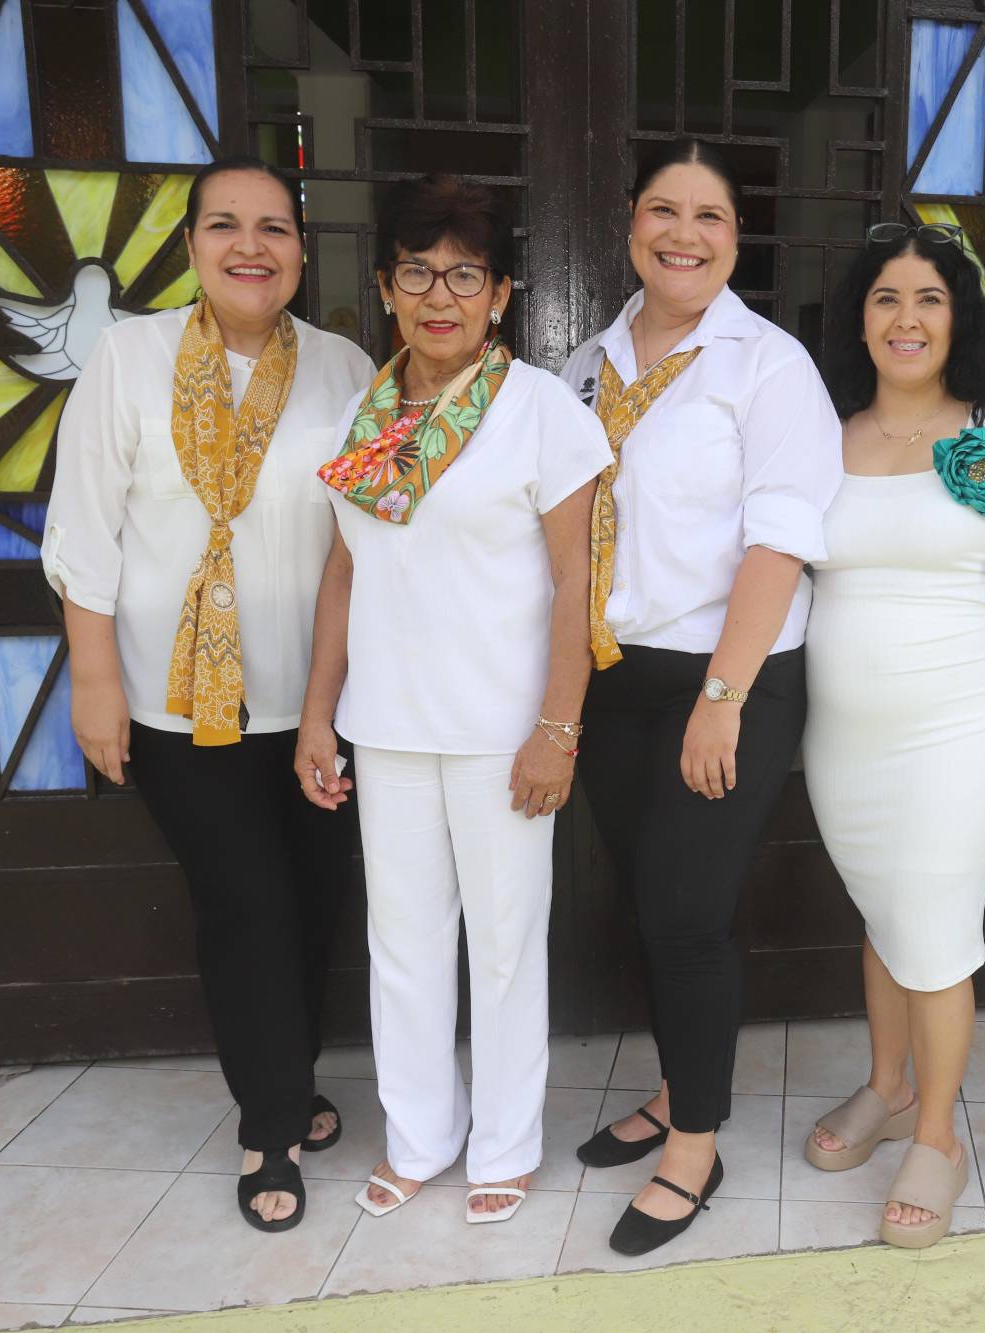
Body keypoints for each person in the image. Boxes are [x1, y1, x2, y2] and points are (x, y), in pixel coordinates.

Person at [43, 155, 374, 1232]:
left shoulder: (343, 368)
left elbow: (370, 541)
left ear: (300, 251)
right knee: (248, 906)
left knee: (314, 904)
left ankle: (290, 1074)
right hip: (178, 707)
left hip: (317, 701)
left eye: (274, 226)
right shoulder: (128, 359)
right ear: (189, 246)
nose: (250, 246)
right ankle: (269, 1122)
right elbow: (84, 528)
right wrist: (95, 680)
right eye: (225, 225)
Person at [295, 176, 609, 1226]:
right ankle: (420, 1134)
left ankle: (505, 1143)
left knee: (506, 944)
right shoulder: (369, 410)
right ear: (386, 288)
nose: (441, 296)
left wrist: (557, 728)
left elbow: (575, 579)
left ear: (502, 294)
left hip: (499, 731)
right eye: (418, 273)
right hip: (386, 725)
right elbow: (345, 570)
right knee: (403, 942)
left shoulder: (540, 411)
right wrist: (318, 715)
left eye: (466, 275)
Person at [559, 138, 842, 1256]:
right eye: (663, 211)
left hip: (730, 677)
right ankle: (680, 1086)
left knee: (685, 911)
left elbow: (781, 539)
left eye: (709, 216)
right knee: (648, 900)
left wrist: (722, 696)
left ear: (737, 235)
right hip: (617, 678)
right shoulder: (583, 364)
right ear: (631, 222)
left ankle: (696, 1144)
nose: (684, 235)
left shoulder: (767, 365)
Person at [799, 221, 985, 1248]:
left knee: (935, 931)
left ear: (958, 318)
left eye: (928, 298)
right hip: (842, 743)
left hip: (955, 735)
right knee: (886, 915)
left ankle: (938, 1137)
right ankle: (887, 1088)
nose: (906, 318)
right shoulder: (823, 435)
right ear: (859, 319)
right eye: (885, 298)